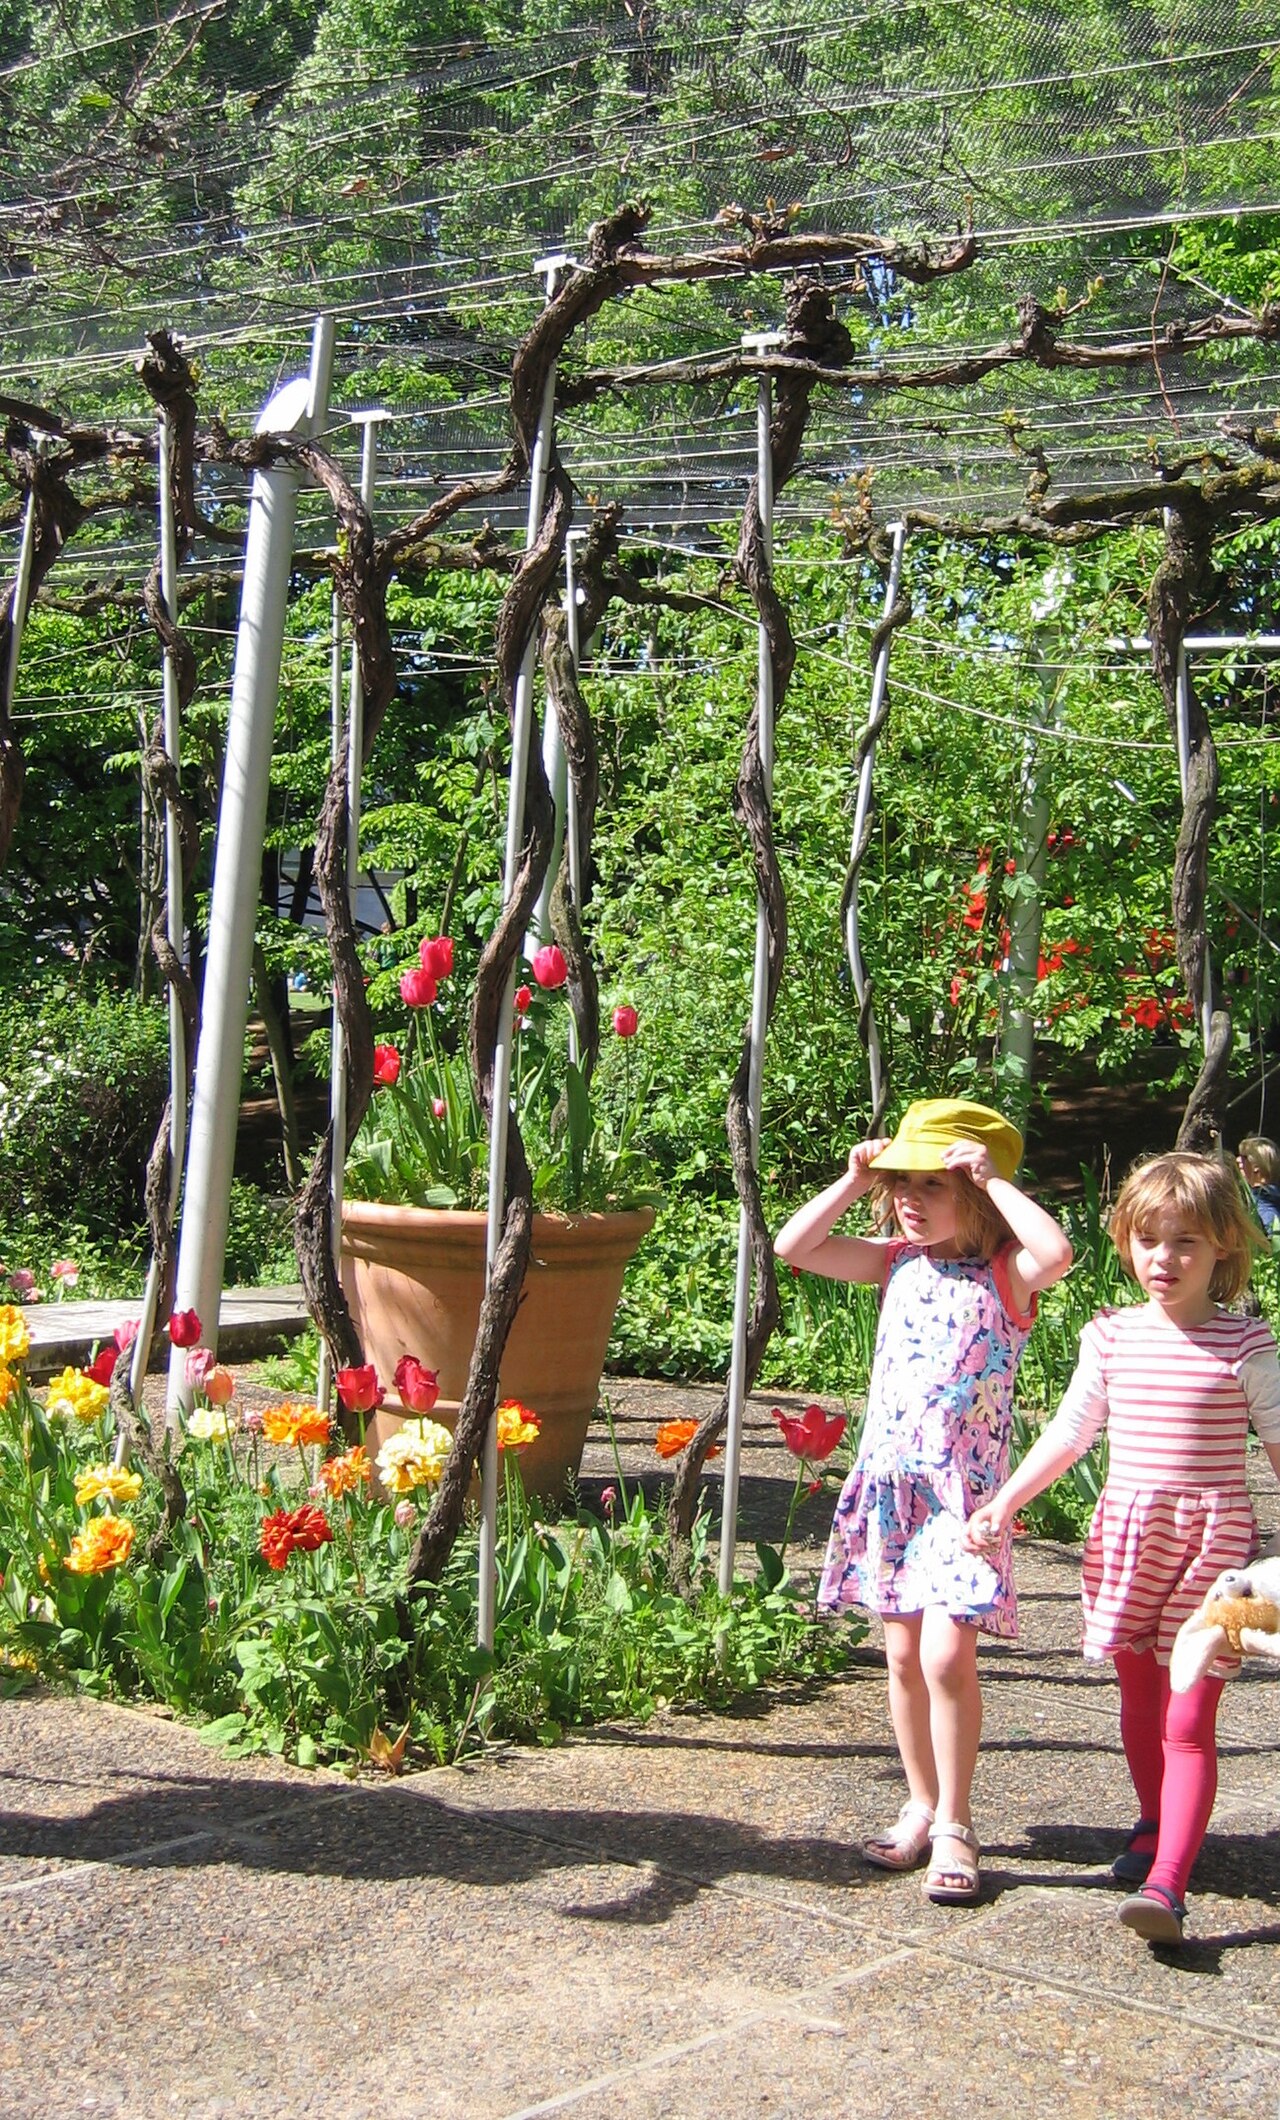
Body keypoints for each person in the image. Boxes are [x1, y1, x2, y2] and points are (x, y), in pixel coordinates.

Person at [966, 1151, 1280, 1946]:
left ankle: (1168, 1883)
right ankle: (1152, 1822)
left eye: (1185, 1244)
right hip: (1130, 1541)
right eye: (1147, 1241)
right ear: (1124, 1242)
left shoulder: (1246, 1344)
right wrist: (1005, 1501)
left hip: (1217, 1553)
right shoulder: (1111, 1335)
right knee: (1138, 1700)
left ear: (1223, 1252)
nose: (1162, 1259)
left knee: (1189, 1714)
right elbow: (1071, 1434)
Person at [775, 1096, 1073, 1905]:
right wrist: (851, 1178)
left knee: (946, 1656)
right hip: (891, 1490)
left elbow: (1060, 1250)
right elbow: (791, 1246)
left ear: (971, 1191)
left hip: (963, 1501)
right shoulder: (895, 1261)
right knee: (902, 1656)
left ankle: (957, 1823)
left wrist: (995, 1180)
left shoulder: (1007, 1277)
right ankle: (920, 1800)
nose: (910, 1199)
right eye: (901, 1183)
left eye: (932, 1185)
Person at [1236, 1134, 1280, 1237]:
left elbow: (1274, 1237)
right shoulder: (1273, 1195)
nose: (1238, 1160)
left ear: (1256, 1166)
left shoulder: (1262, 1199)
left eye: (1244, 1157)